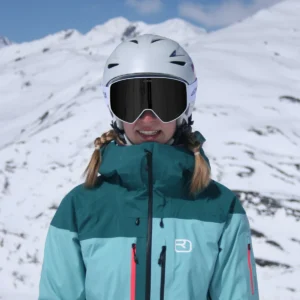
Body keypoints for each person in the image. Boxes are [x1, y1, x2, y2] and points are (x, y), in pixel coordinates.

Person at [38, 34, 259, 300]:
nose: (147, 118)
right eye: (130, 102)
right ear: (114, 109)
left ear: (186, 106)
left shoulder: (221, 208)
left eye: (164, 101)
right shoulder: (79, 208)